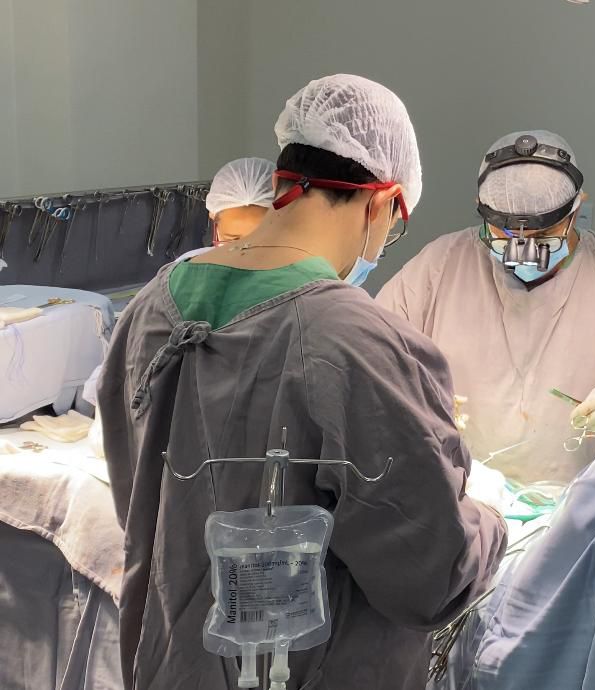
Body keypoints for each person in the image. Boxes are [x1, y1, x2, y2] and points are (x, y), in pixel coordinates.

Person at [97, 74, 507, 690]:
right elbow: (430, 575)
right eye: (393, 227)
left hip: (171, 668)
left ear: (285, 182)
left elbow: (140, 500)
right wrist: (489, 519)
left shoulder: (152, 306)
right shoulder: (352, 340)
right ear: (383, 202)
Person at [377, 130, 595, 484]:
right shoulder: (440, 268)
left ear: (577, 208)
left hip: (578, 503)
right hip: (461, 497)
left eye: (543, 237)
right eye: (508, 236)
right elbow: (373, 358)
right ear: (483, 213)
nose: (525, 251)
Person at [177, 156, 277, 261]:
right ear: (213, 217)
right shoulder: (188, 267)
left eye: (261, 239)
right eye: (233, 240)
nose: (246, 252)